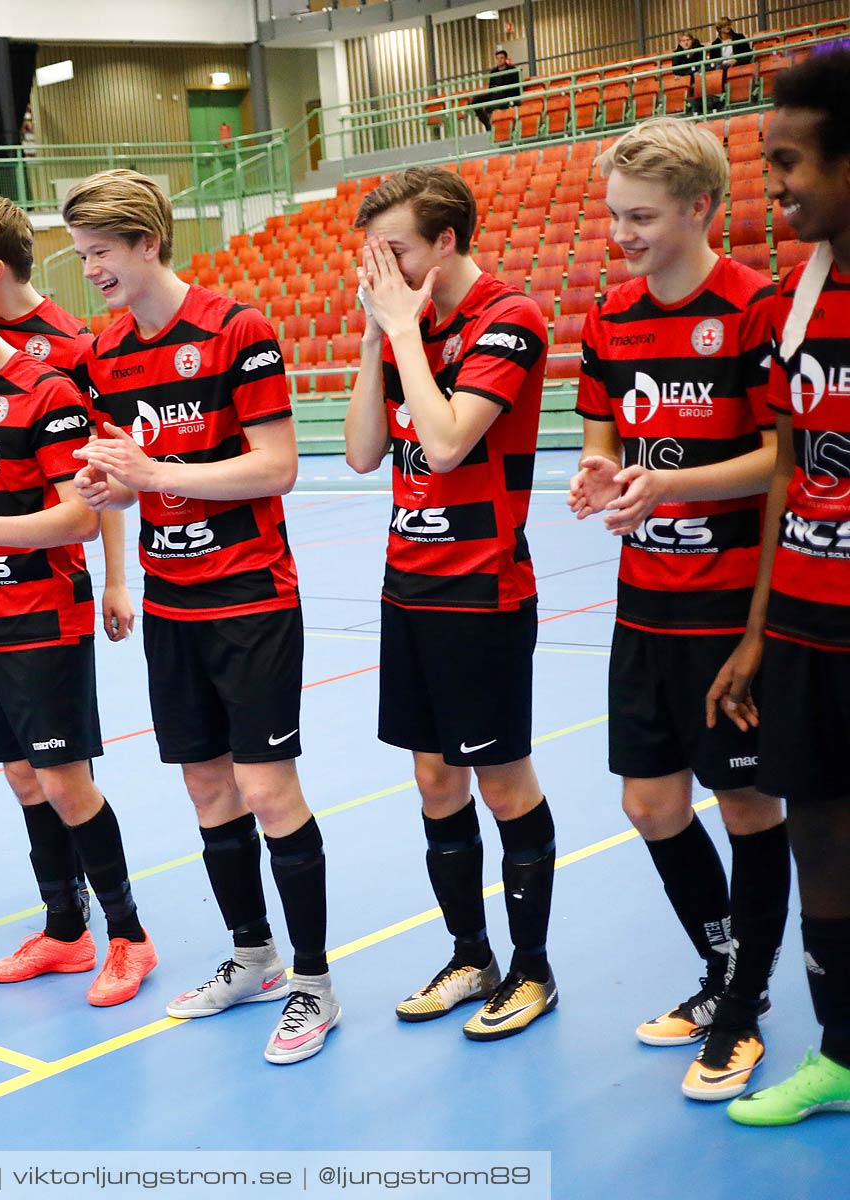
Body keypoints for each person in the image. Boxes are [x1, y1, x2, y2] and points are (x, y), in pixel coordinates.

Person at [64, 169, 340, 1062]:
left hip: (252, 594)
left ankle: (313, 983)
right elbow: (121, 472)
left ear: (148, 243)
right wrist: (107, 481)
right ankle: (251, 955)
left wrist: (156, 475)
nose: (91, 271)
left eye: (101, 254)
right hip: (169, 598)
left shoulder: (236, 330)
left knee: (266, 790)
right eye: (81, 257)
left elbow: (277, 466)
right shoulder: (104, 352)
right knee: (207, 787)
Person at [568, 118, 788, 1102]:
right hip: (644, 606)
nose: (623, 233)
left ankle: (741, 1011)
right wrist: (599, 481)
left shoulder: (753, 309)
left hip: (735, 610)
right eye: (615, 215)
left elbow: (791, 458)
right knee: (650, 805)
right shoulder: (609, 317)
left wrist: (676, 489)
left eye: (643, 217)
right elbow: (603, 444)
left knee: (747, 805)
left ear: (703, 207)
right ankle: (723, 974)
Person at [0, 247, 160, 1007]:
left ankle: (129, 937)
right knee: (19, 776)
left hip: (46, 615)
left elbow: (81, 514)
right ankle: (64, 930)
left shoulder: (45, 393)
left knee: (64, 782)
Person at [344, 166, 558, 1042]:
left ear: (447, 242)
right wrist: (375, 340)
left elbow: (440, 445)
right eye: (373, 254)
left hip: (484, 590)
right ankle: (469, 954)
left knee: (501, 782)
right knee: (435, 779)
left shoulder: (509, 320)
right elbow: (364, 454)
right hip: (409, 585)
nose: (381, 269)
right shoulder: (404, 327)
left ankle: (532, 968)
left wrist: (399, 333)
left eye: (395, 251)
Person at [708, 45, 850, 1127]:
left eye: (792, 160)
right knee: (821, 839)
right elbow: (795, 475)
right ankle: (843, 1054)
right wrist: (757, 632)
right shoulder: (793, 306)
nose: (776, 184)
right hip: (804, 625)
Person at [474, 48, 523, 132]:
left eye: (501, 58)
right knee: (475, 101)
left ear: (505, 59)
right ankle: (487, 123)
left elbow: (516, 87)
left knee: (496, 104)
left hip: (507, 94)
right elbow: (491, 87)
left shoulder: (512, 70)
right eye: (497, 58)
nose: (499, 60)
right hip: (494, 94)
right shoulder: (493, 72)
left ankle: (498, 126)